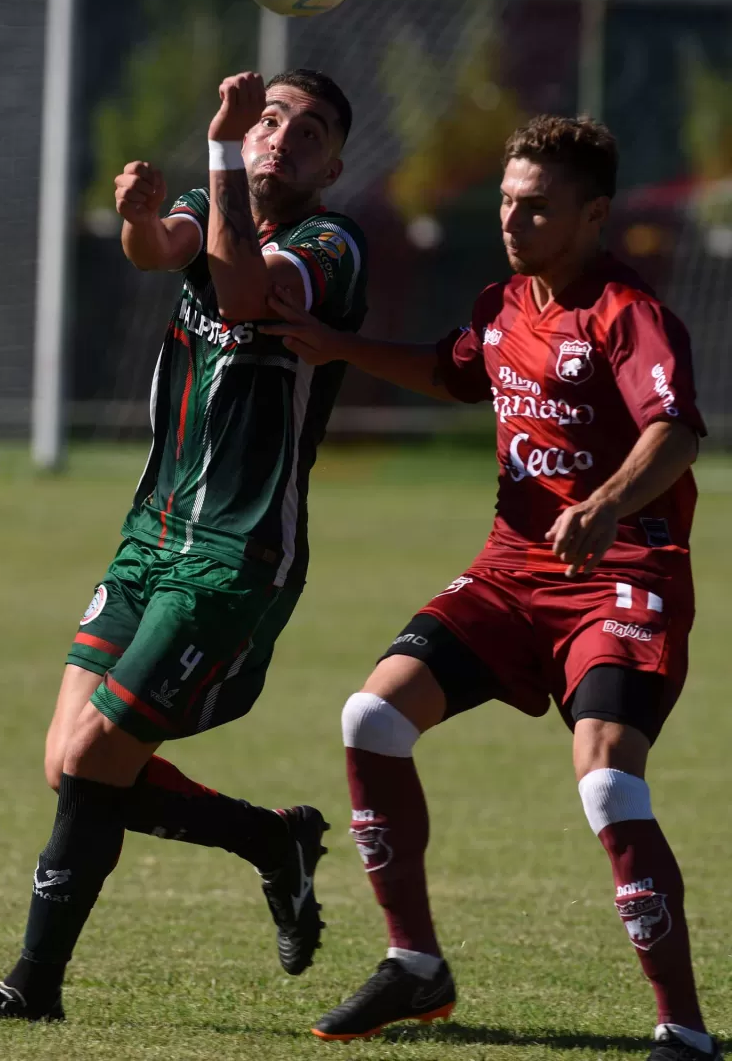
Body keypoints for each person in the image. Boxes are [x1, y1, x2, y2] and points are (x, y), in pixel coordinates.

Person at [262, 115, 719, 1058]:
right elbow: (452, 370)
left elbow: (674, 430)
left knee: (606, 783)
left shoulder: (628, 313)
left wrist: (601, 505)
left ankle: (683, 1028)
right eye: (508, 199)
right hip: (511, 576)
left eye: (537, 205)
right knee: (372, 719)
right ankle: (415, 963)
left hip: (620, 576)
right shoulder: (504, 301)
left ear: (593, 216)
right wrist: (338, 345)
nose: (513, 218)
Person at [0, 68, 368, 1026]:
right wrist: (138, 213)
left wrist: (218, 150)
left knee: (95, 756)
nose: (281, 138)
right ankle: (271, 841)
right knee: (69, 763)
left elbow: (244, 288)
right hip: (151, 534)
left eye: (309, 131)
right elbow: (157, 249)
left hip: (235, 551)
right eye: (269, 121)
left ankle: (31, 986)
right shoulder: (203, 201)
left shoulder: (333, 245)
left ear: (333, 164)